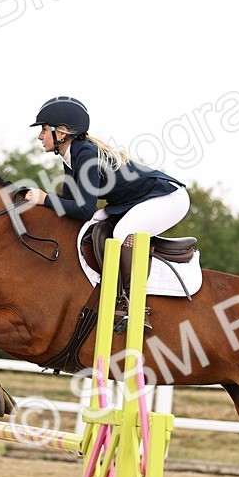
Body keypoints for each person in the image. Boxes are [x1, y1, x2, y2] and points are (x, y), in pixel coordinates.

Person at [20, 96, 189, 327]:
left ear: (62, 132)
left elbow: (83, 209)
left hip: (168, 198)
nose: (40, 136)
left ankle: (133, 307)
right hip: (135, 201)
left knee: (122, 233)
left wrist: (44, 198)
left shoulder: (86, 154)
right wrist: (41, 201)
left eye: (44, 129)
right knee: (93, 225)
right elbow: (71, 204)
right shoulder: (71, 156)